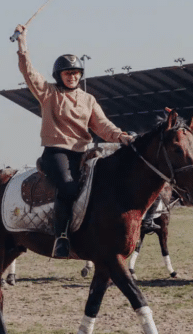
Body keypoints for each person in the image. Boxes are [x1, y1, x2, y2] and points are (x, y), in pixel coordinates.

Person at [15, 24, 134, 258]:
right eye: (68, 73)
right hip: (56, 153)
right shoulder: (49, 93)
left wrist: (121, 136)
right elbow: (29, 73)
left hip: (83, 152)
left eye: (76, 73)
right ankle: (61, 236)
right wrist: (22, 44)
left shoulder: (88, 99)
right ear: (59, 75)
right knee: (68, 188)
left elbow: (102, 125)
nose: (72, 77)